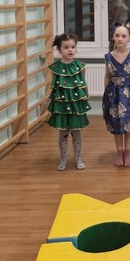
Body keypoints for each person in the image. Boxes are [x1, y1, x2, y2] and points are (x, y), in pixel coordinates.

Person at [48, 33, 91, 171]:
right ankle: (63, 159)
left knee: (76, 133)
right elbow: (54, 87)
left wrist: (86, 98)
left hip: (76, 104)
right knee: (63, 133)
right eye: (66, 47)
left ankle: (78, 159)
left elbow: (83, 84)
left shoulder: (80, 66)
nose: (70, 50)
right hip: (61, 105)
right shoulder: (55, 68)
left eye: (73, 47)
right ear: (59, 49)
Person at [102, 23, 130, 167]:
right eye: (117, 35)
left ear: (129, 38)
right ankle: (119, 152)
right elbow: (107, 76)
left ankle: (128, 153)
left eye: (123, 36)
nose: (120, 38)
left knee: (128, 123)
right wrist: (106, 94)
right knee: (116, 125)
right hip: (113, 94)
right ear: (113, 37)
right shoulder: (108, 56)